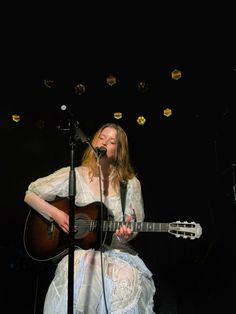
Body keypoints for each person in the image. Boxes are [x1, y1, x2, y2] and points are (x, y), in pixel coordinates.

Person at [24, 122, 156, 313]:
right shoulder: (76, 175)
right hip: (82, 254)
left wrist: (127, 234)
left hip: (116, 253)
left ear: (119, 151)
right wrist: (57, 214)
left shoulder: (131, 184)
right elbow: (30, 194)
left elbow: (134, 225)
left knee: (126, 280)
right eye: (101, 138)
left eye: (112, 142)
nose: (104, 143)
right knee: (87, 268)